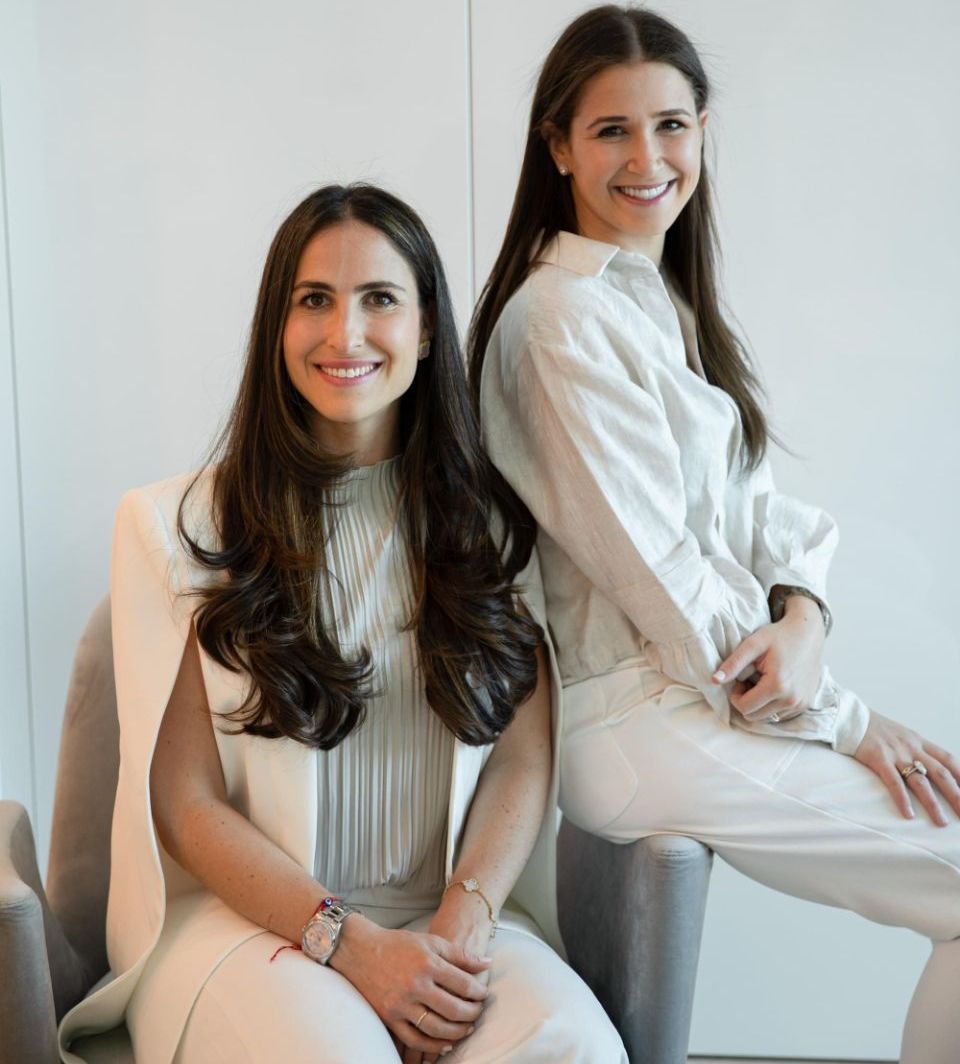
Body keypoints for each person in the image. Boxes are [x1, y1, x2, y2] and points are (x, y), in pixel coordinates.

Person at [469, 7, 960, 1062]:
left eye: (672, 125)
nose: (648, 160)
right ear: (558, 146)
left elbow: (760, 514)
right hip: (642, 717)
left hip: (698, 698)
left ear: (703, 130)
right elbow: (665, 578)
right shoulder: (557, 321)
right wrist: (848, 721)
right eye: (611, 130)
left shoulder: (660, 303)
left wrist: (807, 615)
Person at [58, 183, 626, 1063]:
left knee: (574, 1049)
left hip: (448, 914)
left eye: (380, 299)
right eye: (314, 300)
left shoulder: (492, 521)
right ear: (276, 326)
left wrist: (459, 927)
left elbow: (521, 756)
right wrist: (354, 947)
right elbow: (186, 804)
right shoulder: (175, 528)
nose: (345, 333)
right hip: (247, 928)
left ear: (426, 328)